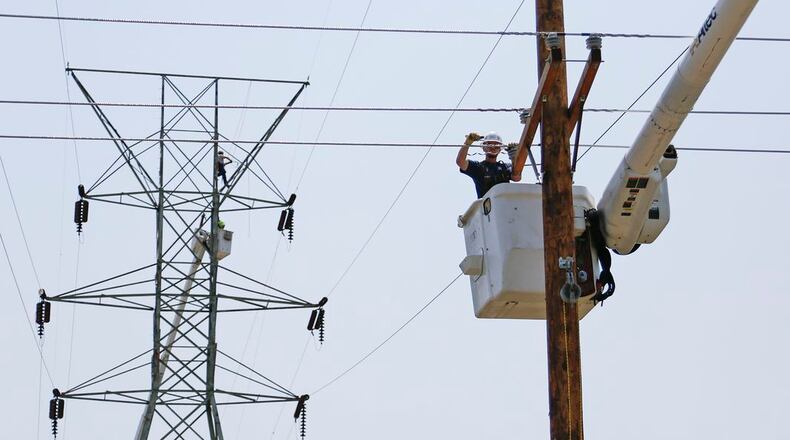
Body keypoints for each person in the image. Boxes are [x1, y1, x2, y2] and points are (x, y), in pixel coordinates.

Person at [456, 132, 521, 198]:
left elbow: (516, 178)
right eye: (489, 145)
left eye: (496, 145)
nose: (493, 147)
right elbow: (460, 162)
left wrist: (514, 158)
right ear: (483, 148)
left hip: (505, 204)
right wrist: (467, 143)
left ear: (500, 149)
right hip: (488, 206)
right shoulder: (478, 168)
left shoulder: (506, 167)